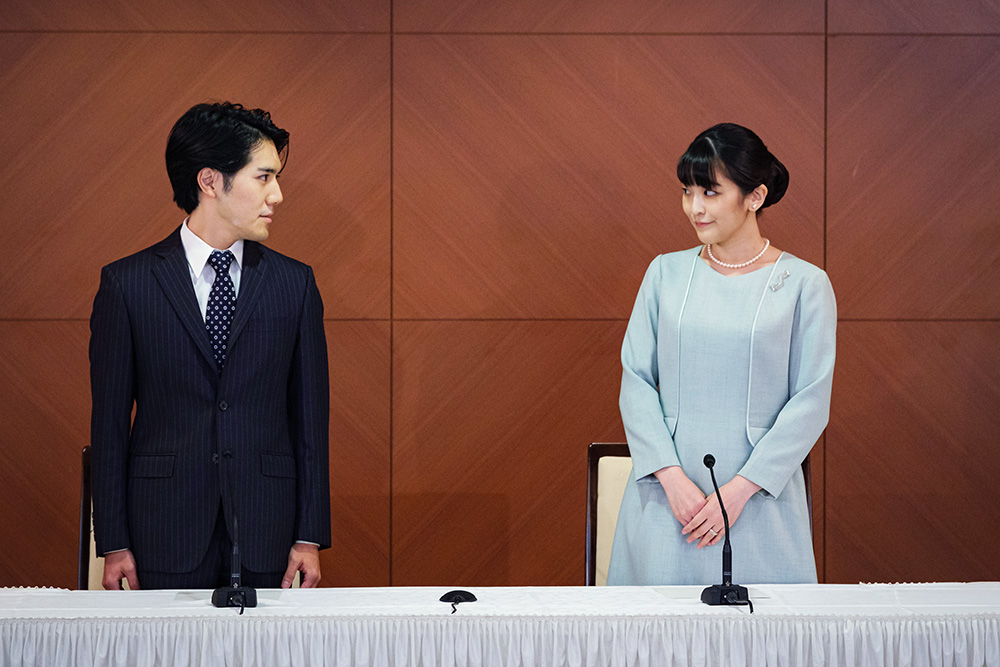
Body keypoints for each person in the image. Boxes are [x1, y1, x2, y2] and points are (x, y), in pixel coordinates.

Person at [89, 102, 331, 590]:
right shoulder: (127, 284)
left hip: (270, 530)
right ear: (210, 181)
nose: (277, 195)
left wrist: (309, 536)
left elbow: (310, 421)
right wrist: (113, 543)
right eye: (263, 177)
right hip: (161, 531)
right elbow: (110, 425)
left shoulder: (295, 284)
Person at [607, 123, 836, 585]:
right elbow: (636, 379)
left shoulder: (805, 285)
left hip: (759, 504)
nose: (695, 207)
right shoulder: (664, 274)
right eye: (687, 191)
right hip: (667, 502)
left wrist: (737, 492)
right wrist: (672, 480)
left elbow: (810, 401)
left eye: (710, 191)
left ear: (754, 196)